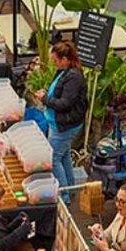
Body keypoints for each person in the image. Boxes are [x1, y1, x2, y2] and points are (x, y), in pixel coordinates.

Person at [33, 40, 87, 204]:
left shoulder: (73, 77)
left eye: (56, 60)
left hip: (64, 125)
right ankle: (69, 189)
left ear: (65, 59)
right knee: (63, 156)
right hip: (58, 123)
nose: (54, 64)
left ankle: (63, 195)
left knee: (54, 158)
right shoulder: (64, 72)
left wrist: (45, 99)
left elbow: (65, 104)